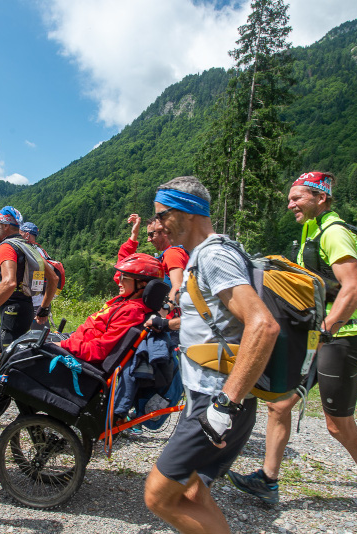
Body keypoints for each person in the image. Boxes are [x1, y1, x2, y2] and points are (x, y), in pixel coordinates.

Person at [227, 171, 357, 534]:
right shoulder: (313, 230)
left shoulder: (334, 232)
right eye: (291, 198)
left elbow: (353, 289)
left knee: (339, 426)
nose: (291, 204)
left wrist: (327, 331)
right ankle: (268, 480)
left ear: (321, 198)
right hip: (318, 339)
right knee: (279, 404)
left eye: (298, 198)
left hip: (340, 340)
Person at [143, 176, 280, 534]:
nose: (155, 225)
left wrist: (225, 404)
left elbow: (262, 325)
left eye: (161, 215)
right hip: (211, 397)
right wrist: (168, 326)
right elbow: (214, 322)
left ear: (187, 212)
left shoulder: (214, 255)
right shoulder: (200, 256)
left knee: (158, 497)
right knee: (191, 490)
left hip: (216, 401)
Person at [0, 207, 58, 364]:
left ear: (5, 226)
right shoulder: (29, 246)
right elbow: (53, 278)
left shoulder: (7, 247)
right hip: (24, 309)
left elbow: (9, 282)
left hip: (13, 311)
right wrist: (44, 308)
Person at [59, 253, 164, 363]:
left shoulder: (131, 311)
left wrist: (62, 344)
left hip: (78, 352)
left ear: (142, 284)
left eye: (124, 277)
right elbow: (121, 267)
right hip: (74, 341)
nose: (119, 280)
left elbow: (98, 350)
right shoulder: (127, 298)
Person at [19, 221, 51, 331]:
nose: (19, 235)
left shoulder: (29, 253)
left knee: (34, 336)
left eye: (20, 233)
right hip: (43, 300)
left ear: (27, 234)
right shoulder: (42, 251)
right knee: (41, 334)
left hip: (32, 301)